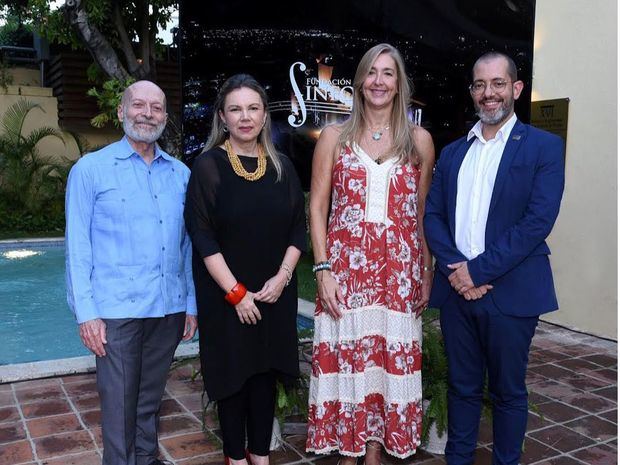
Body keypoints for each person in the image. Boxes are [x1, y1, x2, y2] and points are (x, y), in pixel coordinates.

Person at [424, 51, 565, 465]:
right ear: (472, 92)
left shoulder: (543, 147)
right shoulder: (452, 153)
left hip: (511, 293)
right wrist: (457, 271)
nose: (490, 93)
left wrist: (477, 271)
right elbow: (432, 216)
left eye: (498, 83)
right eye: (480, 85)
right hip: (457, 293)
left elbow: (537, 222)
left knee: (507, 393)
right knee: (461, 388)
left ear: (516, 89)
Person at [306, 43, 435, 463]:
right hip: (346, 271)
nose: (379, 81)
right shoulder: (333, 137)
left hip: (398, 273)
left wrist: (426, 271)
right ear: (360, 82)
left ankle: (375, 448)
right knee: (349, 357)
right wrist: (323, 269)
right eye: (372, 73)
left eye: (388, 74)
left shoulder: (419, 141)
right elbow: (317, 207)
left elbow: (421, 214)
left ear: (399, 85)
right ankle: (349, 447)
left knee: (384, 359)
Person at [65, 80, 198, 465]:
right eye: (138, 105)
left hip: (167, 308)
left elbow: (186, 245)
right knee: (120, 407)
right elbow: (77, 248)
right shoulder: (90, 170)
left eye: (156, 108)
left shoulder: (181, 175)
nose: (147, 114)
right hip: (116, 313)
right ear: (122, 112)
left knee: (149, 401)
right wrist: (86, 312)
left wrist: (190, 302)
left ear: (165, 118)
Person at [184, 74, 306, 465]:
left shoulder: (283, 166)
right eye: (235, 109)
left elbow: (296, 230)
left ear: (264, 115)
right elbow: (202, 236)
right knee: (233, 382)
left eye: (253, 108)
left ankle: (260, 456)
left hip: (273, 294)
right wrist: (236, 293)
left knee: (264, 379)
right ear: (222, 116)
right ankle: (236, 459)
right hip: (227, 298)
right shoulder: (208, 167)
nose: (245, 117)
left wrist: (283, 278)